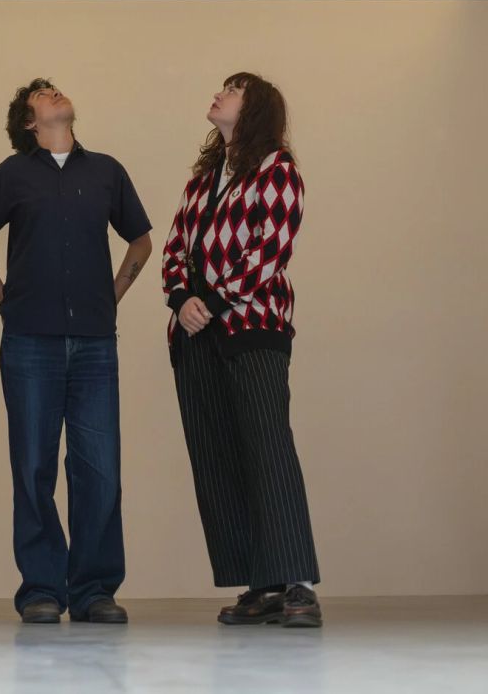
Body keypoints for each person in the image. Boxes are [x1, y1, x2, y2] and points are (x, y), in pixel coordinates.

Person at [0, 79, 152, 625]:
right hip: (29, 342)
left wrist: (113, 295)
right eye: (44, 93)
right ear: (29, 120)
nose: (57, 93)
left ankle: (93, 590)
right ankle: (42, 587)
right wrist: (4, 295)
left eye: (57, 89)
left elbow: (141, 241)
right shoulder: (12, 174)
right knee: (33, 465)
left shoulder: (107, 171)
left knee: (100, 469)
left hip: (94, 344)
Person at [161, 71, 322, 629]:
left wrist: (213, 301)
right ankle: (263, 584)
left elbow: (268, 250)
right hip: (196, 334)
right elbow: (175, 247)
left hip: (252, 328)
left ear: (254, 108)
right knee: (219, 455)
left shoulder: (278, 169)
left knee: (267, 448)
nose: (218, 93)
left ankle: (297, 582)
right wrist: (182, 298)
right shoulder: (204, 180)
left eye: (231, 89)